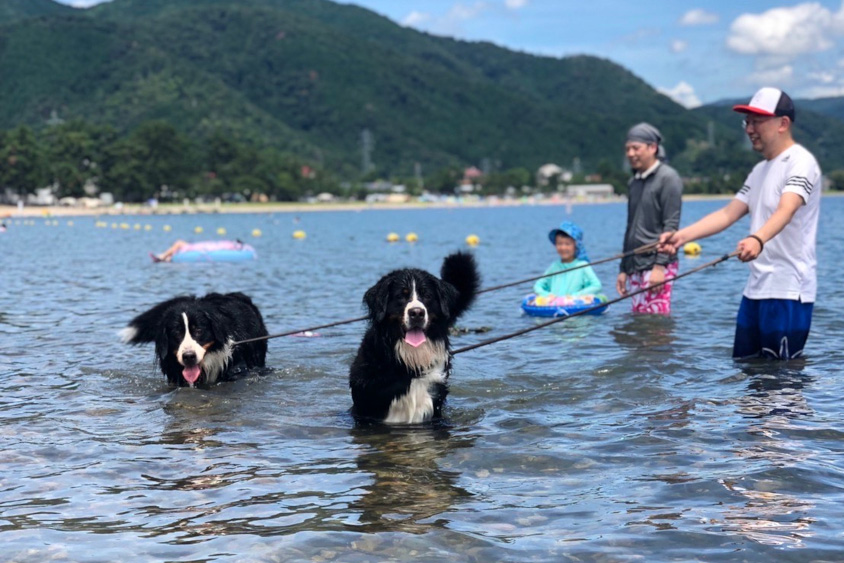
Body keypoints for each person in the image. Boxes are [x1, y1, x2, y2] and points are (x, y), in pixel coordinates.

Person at [659, 87, 821, 360]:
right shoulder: (759, 170)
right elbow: (728, 213)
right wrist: (680, 236)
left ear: (783, 123)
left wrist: (757, 239)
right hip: (755, 290)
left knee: (782, 383)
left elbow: (787, 208)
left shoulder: (800, 162)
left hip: (788, 290)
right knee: (747, 373)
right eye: (747, 121)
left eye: (757, 120)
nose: (749, 128)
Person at [616, 122, 683, 314]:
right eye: (627, 149)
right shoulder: (633, 182)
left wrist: (660, 266)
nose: (630, 154)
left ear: (653, 147)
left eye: (636, 148)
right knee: (639, 319)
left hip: (658, 264)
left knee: (656, 323)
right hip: (635, 264)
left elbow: (671, 224)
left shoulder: (668, 178)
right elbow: (630, 227)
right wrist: (623, 268)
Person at [533, 221, 602, 299]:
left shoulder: (583, 266)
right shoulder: (554, 266)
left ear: (576, 246)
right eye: (559, 244)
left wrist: (575, 296)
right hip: (554, 306)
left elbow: (597, 286)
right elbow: (538, 285)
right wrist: (547, 295)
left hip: (575, 306)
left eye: (567, 244)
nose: (563, 248)